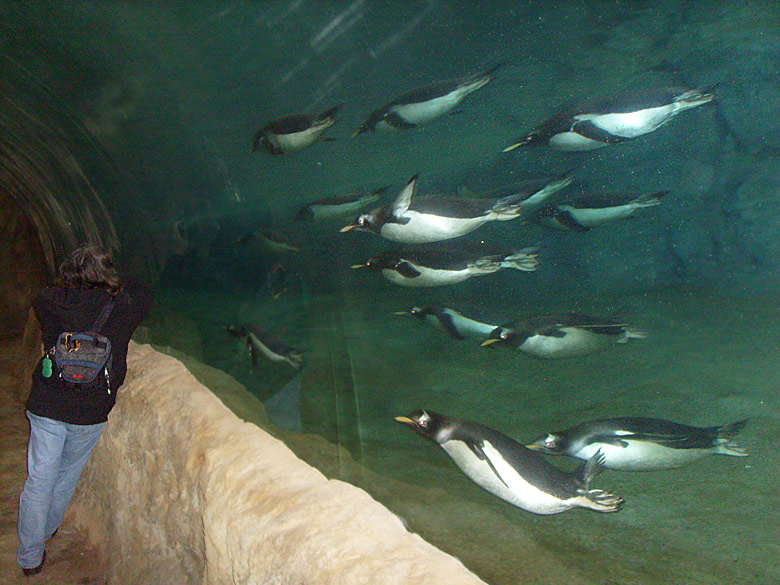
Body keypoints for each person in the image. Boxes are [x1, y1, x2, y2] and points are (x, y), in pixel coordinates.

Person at [17, 244, 153, 576]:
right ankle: (48, 529)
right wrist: (115, 278)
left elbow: (43, 291)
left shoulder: (49, 303)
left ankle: (30, 556)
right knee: (65, 477)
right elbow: (144, 289)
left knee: (39, 479)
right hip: (91, 410)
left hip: (48, 403)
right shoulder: (123, 306)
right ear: (107, 273)